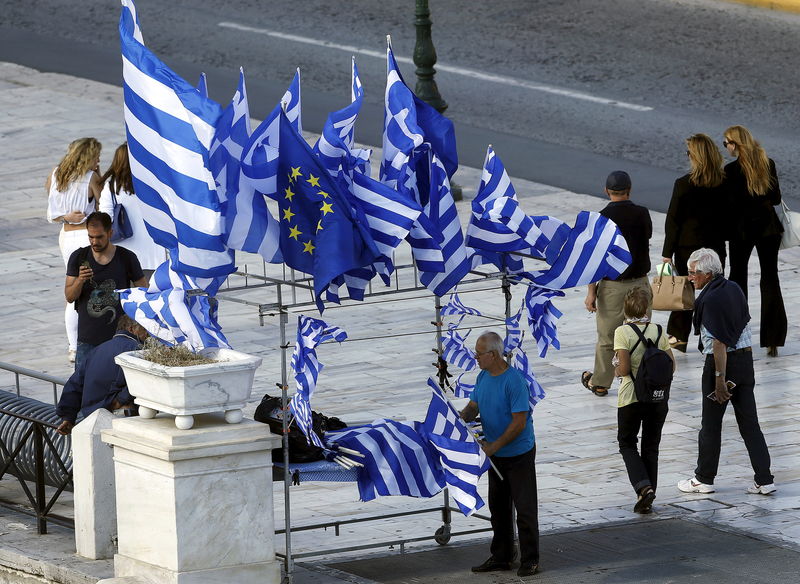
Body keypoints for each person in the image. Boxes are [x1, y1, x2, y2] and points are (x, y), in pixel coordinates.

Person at [677, 248, 775, 496]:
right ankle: (765, 480)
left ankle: (703, 479)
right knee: (750, 424)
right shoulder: (734, 288)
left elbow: (719, 343)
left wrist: (719, 380)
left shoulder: (710, 300)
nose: (690, 277)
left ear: (707, 274)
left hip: (721, 365)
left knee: (710, 426)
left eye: (693, 273)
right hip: (745, 363)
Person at [460, 331, 539, 578]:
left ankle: (531, 559)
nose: (475, 357)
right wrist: (459, 419)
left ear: (493, 355)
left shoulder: (513, 381)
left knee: (524, 508)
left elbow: (519, 421)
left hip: (518, 453)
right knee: (499, 508)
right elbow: (474, 406)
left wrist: (495, 446)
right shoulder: (483, 376)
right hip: (495, 454)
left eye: (479, 353)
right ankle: (502, 556)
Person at [583, 171, 653, 397]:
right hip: (640, 283)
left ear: (606, 191)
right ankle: (642, 376)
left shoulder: (601, 218)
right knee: (642, 332)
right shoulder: (642, 213)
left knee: (607, 337)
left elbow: (595, 259)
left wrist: (591, 292)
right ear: (629, 190)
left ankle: (601, 382)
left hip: (612, 286)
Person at [723, 125, 787, 357]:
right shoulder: (766, 163)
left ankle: (738, 335)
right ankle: (773, 338)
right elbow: (776, 197)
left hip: (741, 231)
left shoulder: (731, 171)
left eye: (726, 143)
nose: (726, 148)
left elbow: (728, 205)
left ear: (735, 144)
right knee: (770, 278)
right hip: (768, 227)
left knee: (738, 279)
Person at [661, 134, 727, 351]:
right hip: (715, 247)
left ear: (695, 156)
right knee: (714, 291)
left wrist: (666, 252)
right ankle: (713, 335)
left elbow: (673, 220)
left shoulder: (683, 184)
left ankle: (679, 336)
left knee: (685, 291)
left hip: (686, 247)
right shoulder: (724, 183)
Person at [613, 287, 675, 514]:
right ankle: (649, 492)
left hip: (631, 397)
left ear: (626, 309)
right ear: (647, 308)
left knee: (627, 442)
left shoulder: (623, 332)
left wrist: (615, 367)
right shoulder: (658, 330)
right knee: (651, 446)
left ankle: (643, 487)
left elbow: (624, 368)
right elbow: (672, 365)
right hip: (657, 398)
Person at [65, 211, 148, 371]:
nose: (94, 241)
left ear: (110, 233)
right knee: (82, 387)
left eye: (99, 237)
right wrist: (80, 280)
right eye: (91, 237)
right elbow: (69, 296)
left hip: (119, 338)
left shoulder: (126, 257)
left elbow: (143, 292)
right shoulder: (79, 257)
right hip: (87, 339)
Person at [46, 137, 103, 363]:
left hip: (67, 234)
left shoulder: (56, 174)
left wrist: (66, 215)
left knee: (73, 285)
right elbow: (103, 206)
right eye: (97, 155)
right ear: (88, 157)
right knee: (92, 286)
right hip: (87, 235)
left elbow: (53, 210)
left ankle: (72, 346)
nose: (99, 159)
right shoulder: (91, 178)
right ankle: (91, 338)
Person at [55, 314, 149, 435]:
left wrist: (67, 417)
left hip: (92, 420)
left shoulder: (96, 350)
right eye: (144, 329)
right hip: (120, 416)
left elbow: (75, 384)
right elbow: (141, 380)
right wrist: (121, 400)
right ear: (131, 329)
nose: (147, 334)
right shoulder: (138, 350)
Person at [99, 143, 167, 278]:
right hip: (154, 252)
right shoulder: (152, 182)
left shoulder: (112, 187)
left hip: (124, 252)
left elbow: (105, 218)